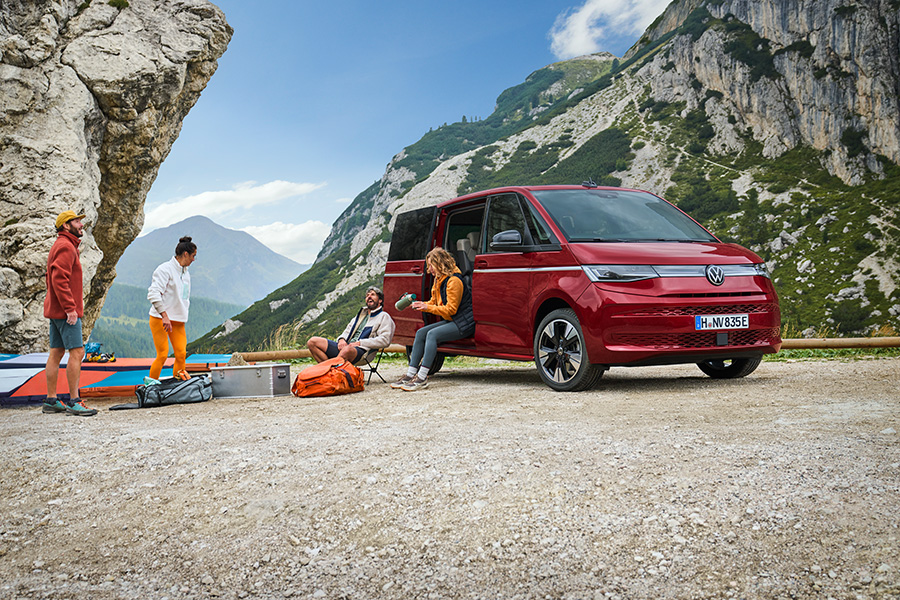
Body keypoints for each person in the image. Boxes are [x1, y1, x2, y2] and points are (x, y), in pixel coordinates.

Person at [392, 247, 475, 392]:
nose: (430, 269)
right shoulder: (439, 280)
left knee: (432, 334)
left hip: (463, 322)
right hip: (453, 320)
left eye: (431, 265)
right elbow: (434, 301)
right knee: (421, 333)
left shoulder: (454, 281)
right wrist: (421, 304)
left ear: (440, 264)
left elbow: (451, 309)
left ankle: (422, 377)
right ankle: (411, 374)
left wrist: (427, 307)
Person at [43, 210, 97, 416]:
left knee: (56, 353)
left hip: (55, 311)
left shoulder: (61, 245)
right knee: (77, 352)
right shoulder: (66, 246)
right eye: (76, 221)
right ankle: (74, 401)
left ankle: (51, 400)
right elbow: (59, 279)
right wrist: (70, 308)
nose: (80, 224)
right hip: (66, 313)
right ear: (66, 226)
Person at [147, 236, 197, 381]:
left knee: (181, 354)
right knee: (162, 354)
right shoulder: (164, 269)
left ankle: (179, 386)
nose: (194, 260)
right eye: (193, 256)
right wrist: (164, 316)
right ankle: (151, 387)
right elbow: (153, 293)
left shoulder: (185, 272)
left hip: (178, 321)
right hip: (160, 319)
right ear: (185, 254)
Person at [307, 286, 396, 365]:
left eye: (373, 295)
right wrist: (341, 339)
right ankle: (332, 373)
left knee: (347, 350)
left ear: (380, 300)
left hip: (363, 352)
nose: (369, 296)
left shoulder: (384, 316)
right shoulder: (360, 316)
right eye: (367, 295)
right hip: (347, 347)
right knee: (312, 342)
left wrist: (360, 343)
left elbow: (385, 340)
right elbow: (347, 331)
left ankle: (330, 373)